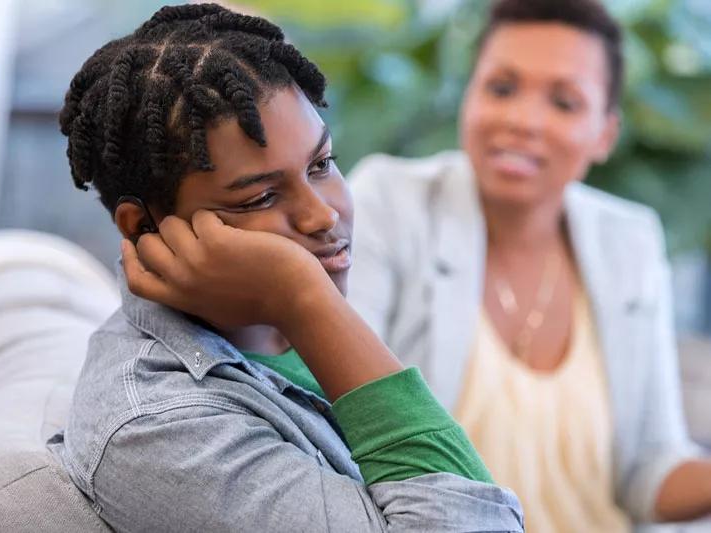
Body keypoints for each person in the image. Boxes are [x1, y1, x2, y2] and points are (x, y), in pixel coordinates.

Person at [48, 4, 524, 532]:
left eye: (321, 164)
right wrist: (303, 298)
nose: (322, 214)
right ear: (143, 226)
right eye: (260, 197)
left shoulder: (288, 323)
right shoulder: (160, 431)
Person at [347, 0, 711, 531]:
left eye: (564, 102)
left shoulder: (629, 241)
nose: (523, 120)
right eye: (501, 88)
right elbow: (343, 421)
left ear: (605, 134)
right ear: (468, 97)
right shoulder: (390, 203)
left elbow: (648, 473)